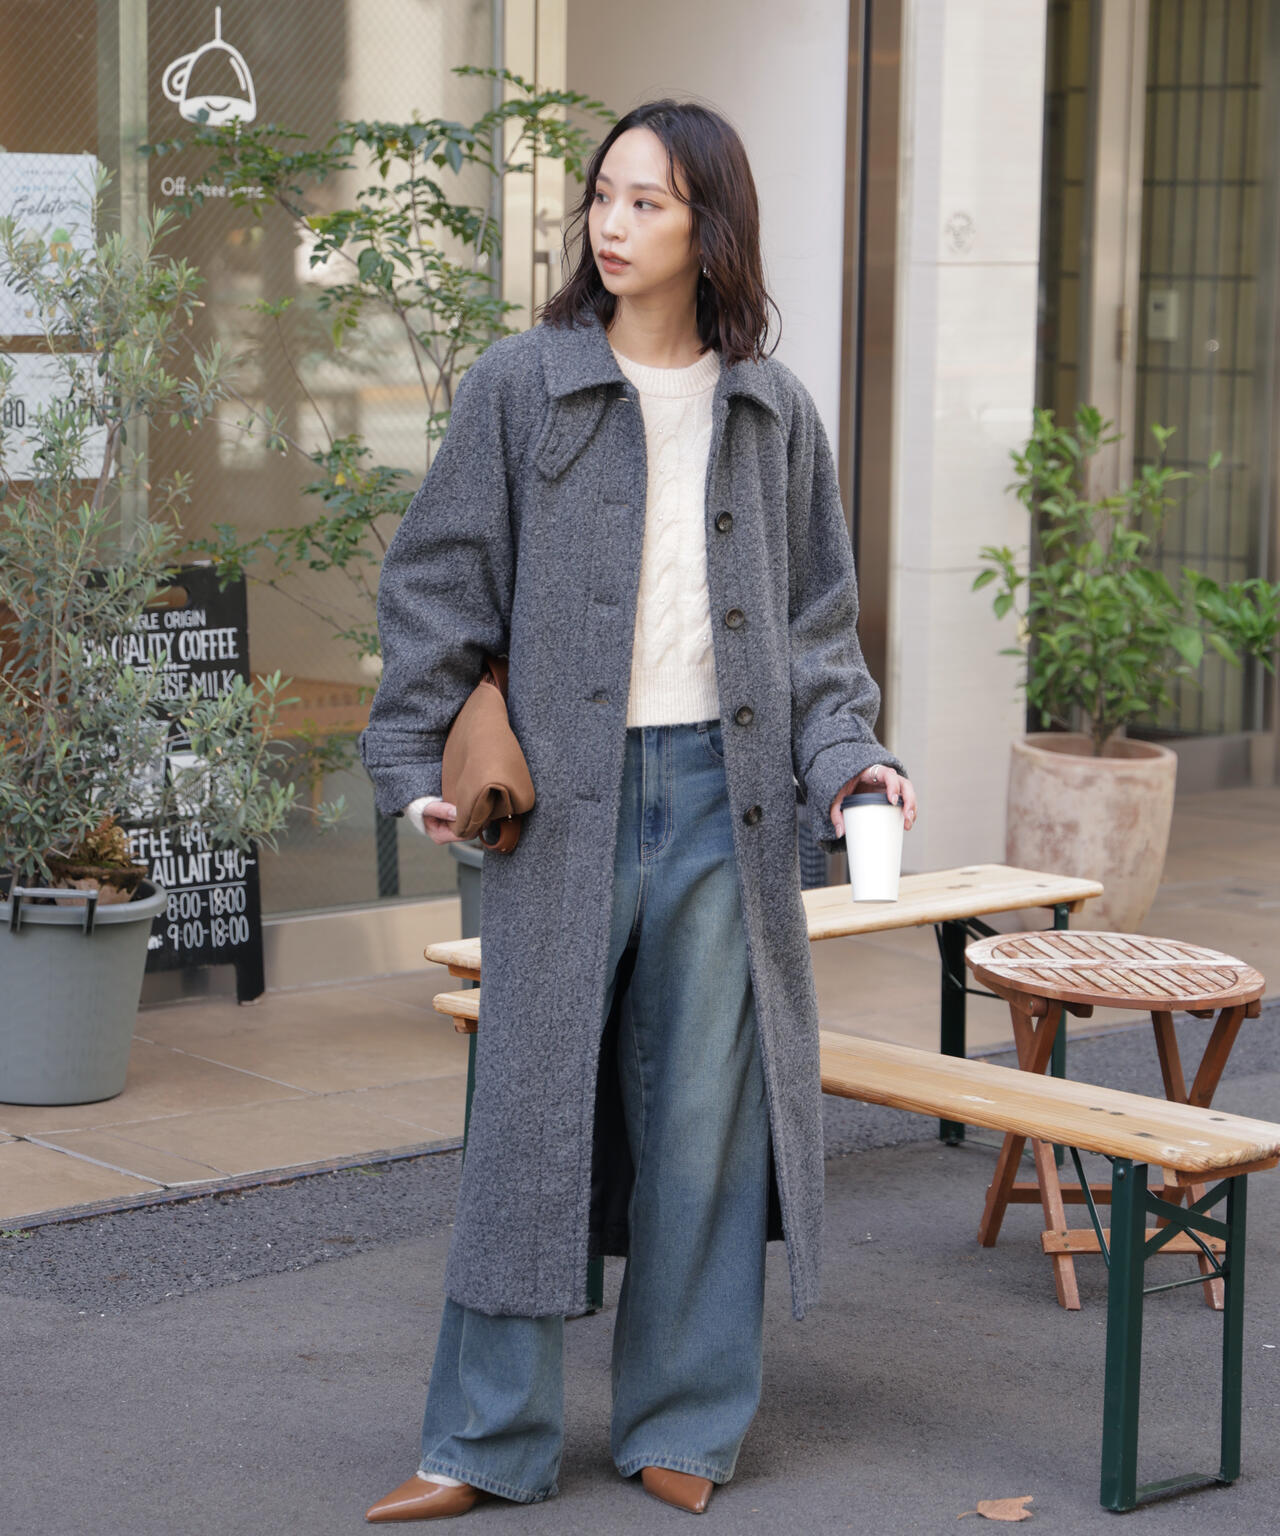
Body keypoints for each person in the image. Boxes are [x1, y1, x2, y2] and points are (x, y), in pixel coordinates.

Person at [358, 98, 917, 1523]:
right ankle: (482, 1439)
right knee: (527, 1112)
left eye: (647, 202)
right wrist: (419, 763)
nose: (612, 224)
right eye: (604, 196)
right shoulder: (523, 383)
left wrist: (850, 761)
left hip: (728, 803)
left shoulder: (771, 409)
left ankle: (686, 1418)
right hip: (565, 806)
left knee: (705, 1117)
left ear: (709, 226)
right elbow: (437, 580)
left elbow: (816, 632)